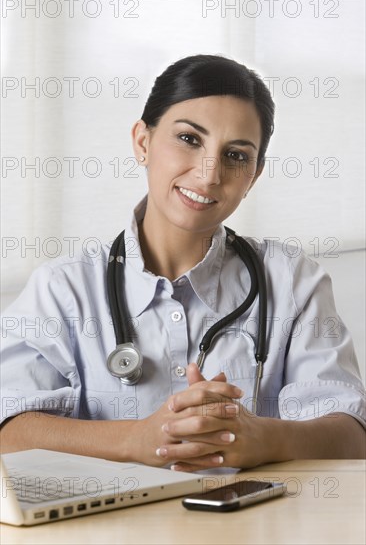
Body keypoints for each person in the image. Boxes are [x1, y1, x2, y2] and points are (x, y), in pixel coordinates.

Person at [1, 54, 365, 471]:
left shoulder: (292, 281)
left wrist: (262, 438)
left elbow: (351, 435)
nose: (210, 174)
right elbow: (9, 431)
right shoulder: (62, 290)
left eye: (237, 155)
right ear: (143, 142)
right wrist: (136, 439)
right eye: (190, 139)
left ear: (254, 176)